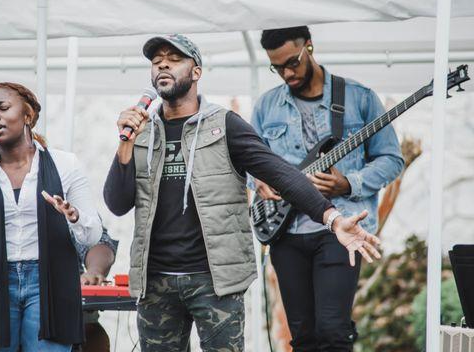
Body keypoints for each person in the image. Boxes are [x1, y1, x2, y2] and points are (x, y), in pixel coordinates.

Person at [103, 34, 382, 352]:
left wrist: (332, 219)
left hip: (215, 281)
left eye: (174, 58)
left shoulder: (224, 126)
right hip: (156, 283)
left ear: (196, 72)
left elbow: (283, 176)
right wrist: (125, 143)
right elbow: (117, 203)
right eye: (156, 61)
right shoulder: (142, 133)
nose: (163, 64)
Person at [251, 26, 404, 351]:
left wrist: (349, 183)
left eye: (292, 62)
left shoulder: (359, 98)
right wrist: (258, 181)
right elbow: (251, 161)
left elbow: (391, 159)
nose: (287, 73)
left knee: (333, 332)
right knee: (303, 337)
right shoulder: (267, 107)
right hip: (286, 232)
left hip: (341, 230)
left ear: (309, 46)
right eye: (277, 67)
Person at [0, 82, 102, 352]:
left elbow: (92, 235)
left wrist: (73, 216)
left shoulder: (65, 164)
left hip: (48, 281)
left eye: (2, 107)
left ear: (28, 116)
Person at [78, 225, 118, 352]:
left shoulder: (62, 206)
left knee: (94, 338)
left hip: (72, 317)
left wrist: (95, 270)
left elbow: (99, 240)